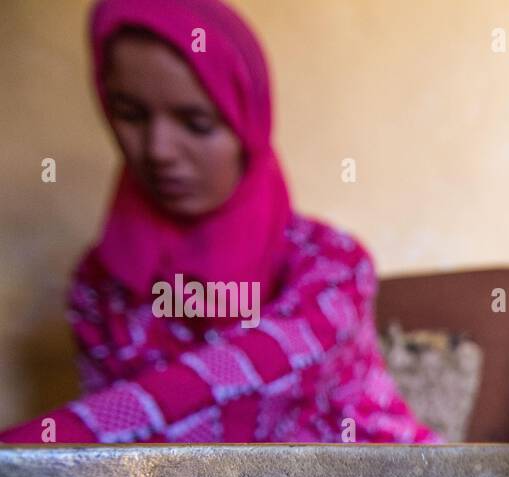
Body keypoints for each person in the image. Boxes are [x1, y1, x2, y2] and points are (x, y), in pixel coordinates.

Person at [0, 0, 435, 444]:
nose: (158, 150)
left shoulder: (331, 264)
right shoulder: (100, 284)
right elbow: (119, 468)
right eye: (131, 115)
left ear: (249, 126)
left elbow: (232, 381)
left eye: (196, 123)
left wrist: (27, 449)